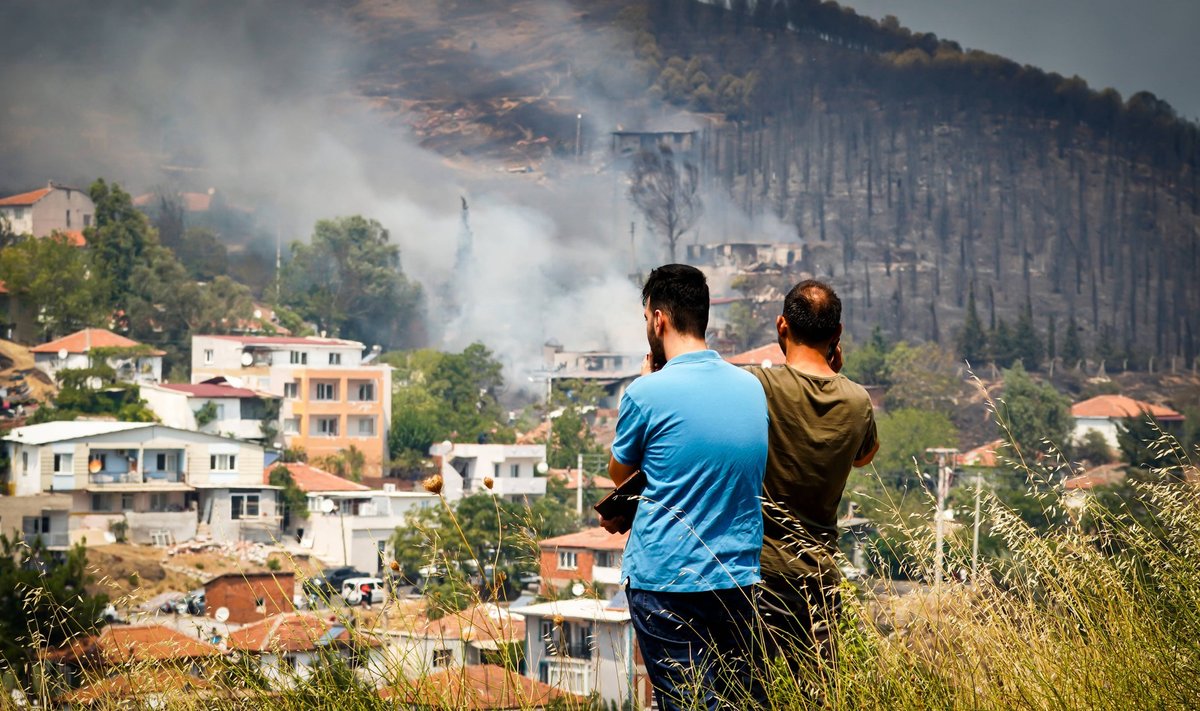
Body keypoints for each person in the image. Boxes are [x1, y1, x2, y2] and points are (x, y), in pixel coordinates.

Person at [601, 264, 769, 710]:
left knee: (685, 702)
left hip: (665, 581)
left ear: (658, 319)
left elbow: (621, 475)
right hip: (737, 575)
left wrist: (646, 382)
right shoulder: (752, 389)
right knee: (736, 701)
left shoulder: (646, 394)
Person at [743, 279, 879, 673]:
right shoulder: (857, 400)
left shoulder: (757, 385)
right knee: (818, 694)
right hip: (819, 579)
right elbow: (864, 457)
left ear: (781, 326)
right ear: (837, 335)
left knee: (748, 692)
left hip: (759, 574)